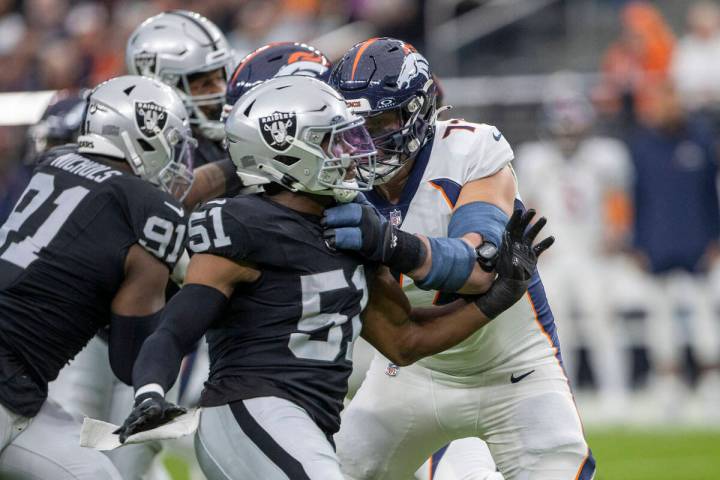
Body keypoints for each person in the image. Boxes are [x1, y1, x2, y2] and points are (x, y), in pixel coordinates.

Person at [115, 75, 553, 480]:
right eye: (335, 142)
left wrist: (499, 296)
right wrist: (150, 391)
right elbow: (176, 327)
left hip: (309, 421)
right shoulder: (245, 225)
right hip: (249, 408)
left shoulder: (352, 230)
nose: (355, 151)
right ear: (287, 152)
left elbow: (406, 342)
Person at [326, 37, 594, 480]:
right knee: (332, 471)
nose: (364, 142)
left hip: (514, 366)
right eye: (353, 127)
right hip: (411, 374)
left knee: (559, 466)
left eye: (379, 123)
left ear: (416, 112)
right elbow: (399, 339)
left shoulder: (472, 149)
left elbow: (480, 265)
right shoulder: (330, 176)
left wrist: (389, 243)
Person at [0, 75, 192, 479]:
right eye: (171, 143)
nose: (176, 158)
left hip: (21, 388)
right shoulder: (151, 209)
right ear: (141, 136)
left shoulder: (55, 161)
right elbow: (130, 359)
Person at [514, 80, 634, 416]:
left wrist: (616, 234)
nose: (567, 134)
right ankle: (564, 393)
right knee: (555, 324)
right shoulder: (535, 158)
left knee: (602, 321)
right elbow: (528, 205)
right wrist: (533, 245)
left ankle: (615, 391)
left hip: (592, 251)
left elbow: (617, 200)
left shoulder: (605, 156)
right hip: (553, 253)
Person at [126, 9, 242, 203]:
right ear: (163, 87)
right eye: (205, 84)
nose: (221, 91)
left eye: (221, 77)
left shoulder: (220, 133)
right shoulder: (154, 150)